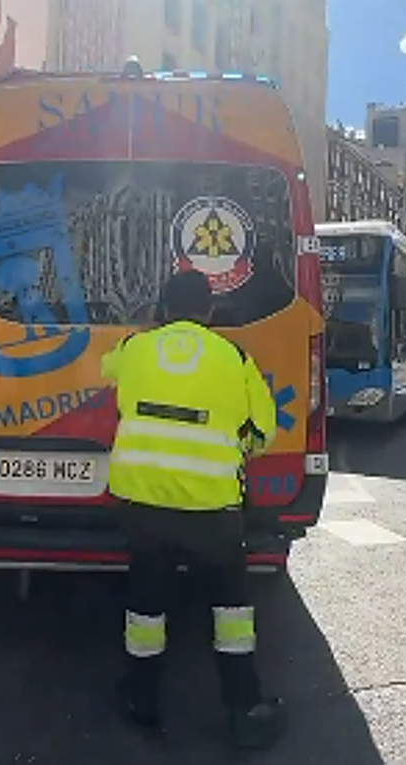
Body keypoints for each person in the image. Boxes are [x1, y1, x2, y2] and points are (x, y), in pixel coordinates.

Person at [100, 269, 287, 751]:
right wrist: (229, 444)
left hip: (142, 501)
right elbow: (263, 433)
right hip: (212, 508)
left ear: (162, 308)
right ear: (209, 311)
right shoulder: (235, 356)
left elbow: (107, 369)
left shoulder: (136, 350)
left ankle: (142, 699)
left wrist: (144, 330)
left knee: (146, 602)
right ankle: (244, 710)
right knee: (231, 609)